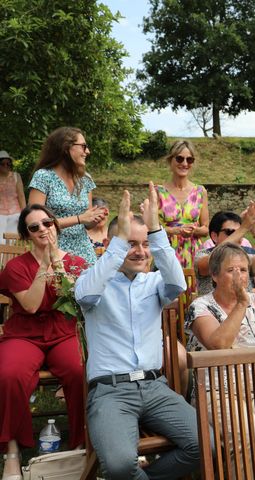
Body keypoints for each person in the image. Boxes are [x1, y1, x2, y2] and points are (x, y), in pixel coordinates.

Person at [75, 184, 199, 479]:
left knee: (202, 444)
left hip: (155, 387)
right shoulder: (93, 281)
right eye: (132, 243)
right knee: (119, 465)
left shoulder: (155, 282)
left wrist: (156, 231)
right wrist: (117, 245)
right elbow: (87, 295)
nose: (141, 251)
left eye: (145, 244)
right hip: (110, 391)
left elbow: (178, 285)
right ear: (114, 242)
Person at [0, 205, 86, 479]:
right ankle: (12, 450)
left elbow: (77, 302)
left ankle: (81, 444)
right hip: (26, 333)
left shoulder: (75, 263)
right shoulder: (16, 267)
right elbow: (33, 305)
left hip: (62, 330)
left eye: (47, 223)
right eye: (34, 227)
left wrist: (59, 267)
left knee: (79, 371)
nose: (43, 230)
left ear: (55, 226)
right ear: (27, 235)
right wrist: (45, 266)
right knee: (8, 375)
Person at [185, 244, 255, 393]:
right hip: (217, 391)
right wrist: (242, 303)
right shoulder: (200, 306)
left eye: (243, 270)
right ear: (214, 275)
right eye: (231, 270)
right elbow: (219, 345)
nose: (238, 276)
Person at [28, 126, 107, 264]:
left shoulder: (85, 179)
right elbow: (34, 223)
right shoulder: (43, 177)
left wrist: (94, 217)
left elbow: (86, 223)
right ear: (66, 147)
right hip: (53, 252)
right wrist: (79, 218)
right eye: (83, 146)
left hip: (84, 253)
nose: (87, 151)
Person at [195, 205, 255, 295]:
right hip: (214, 308)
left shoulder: (244, 258)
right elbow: (215, 259)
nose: (238, 236)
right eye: (230, 232)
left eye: (240, 232)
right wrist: (244, 227)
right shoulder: (202, 255)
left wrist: (254, 230)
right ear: (214, 236)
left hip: (246, 307)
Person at [156, 140, 209, 268]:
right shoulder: (158, 192)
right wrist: (176, 230)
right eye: (179, 159)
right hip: (167, 254)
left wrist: (194, 230)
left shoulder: (200, 192)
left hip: (194, 255)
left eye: (189, 160)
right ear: (170, 160)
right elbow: (153, 230)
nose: (184, 163)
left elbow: (206, 229)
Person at [0, 151, 26, 244]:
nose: (6, 166)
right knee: (1, 242)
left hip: (15, 214)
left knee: (11, 242)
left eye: (8, 163)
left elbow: (21, 196)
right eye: (3, 164)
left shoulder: (16, 176)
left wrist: (24, 215)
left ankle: (9, 259)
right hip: (0, 215)